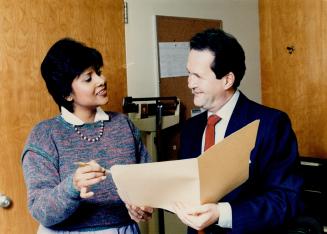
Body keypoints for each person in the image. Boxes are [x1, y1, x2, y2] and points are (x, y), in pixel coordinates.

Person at [173, 28, 303, 233]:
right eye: (189, 73)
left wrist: (221, 213)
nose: (190, 83)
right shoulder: (190, 129)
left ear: (227, 80)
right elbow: (186, 190)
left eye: (198, 76)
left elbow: (286, 199)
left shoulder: (271, 124)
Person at [21, 38, 152, 233]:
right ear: (67, 94)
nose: (102, 80)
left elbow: (149, 181)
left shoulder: (124, 125)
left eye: (98, 72)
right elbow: (41, 210)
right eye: (88, 78)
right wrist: (72, 186)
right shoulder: (44, 135)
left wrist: (144, 205)